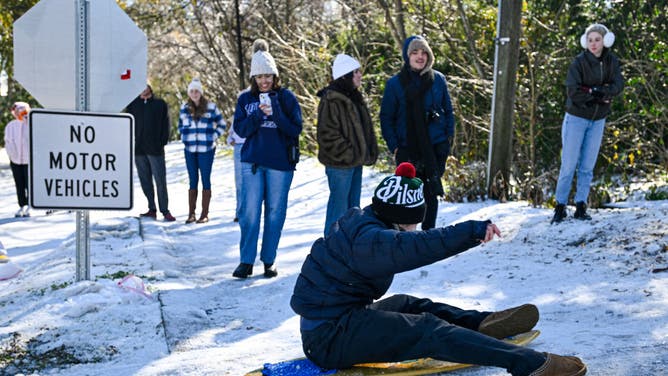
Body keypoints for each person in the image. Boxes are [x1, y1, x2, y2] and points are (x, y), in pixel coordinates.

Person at [290, 162, 587, 376]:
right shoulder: (372, 241)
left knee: (410, 304)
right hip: (330, 340)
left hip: (337, 323)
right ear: (399, 216)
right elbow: (422, 245)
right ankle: (530, 364)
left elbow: (411, 241)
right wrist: (471, 231)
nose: (415, 228)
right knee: (428, 331)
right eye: (413, 222)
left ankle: (482, 324)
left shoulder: (366, 222)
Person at [231, 39, 302, 279]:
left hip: (280, 165)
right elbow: (240, 130)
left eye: (268, 76)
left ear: (275, 76)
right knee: (249, 212)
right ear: (253, 77)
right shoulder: (245, 100)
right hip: (252, 163)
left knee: (275, 212)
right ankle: (246, 261)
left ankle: (269, 260)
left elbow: (295, 129)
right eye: (260, 76)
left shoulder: (286, 97)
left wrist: (276, 112)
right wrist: (259, 116)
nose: (264, 81)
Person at [380, 35, 454, 231]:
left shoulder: (438, 79)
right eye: (415, 52)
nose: (420, 56)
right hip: (407, 149)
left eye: (424, 52)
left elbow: (448, 110)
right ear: (407, 56)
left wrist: (447, 138)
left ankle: (428, 235)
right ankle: (406, 235)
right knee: (407, 193)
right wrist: (394, 146)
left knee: (431, 192)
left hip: (435, 147)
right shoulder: (395, 84)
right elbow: (386, 118)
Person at [551, 24, 623, 224]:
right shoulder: (579, 63)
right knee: (569, 164)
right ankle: (560, 206)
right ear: (585, 42)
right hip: (576, 118)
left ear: (605, 40)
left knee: (587, 166)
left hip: (598, 120)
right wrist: (595, 96)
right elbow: (573, 91)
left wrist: (598, 91)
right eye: (590, 40)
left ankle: (581, 205)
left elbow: (617, 85)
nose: (593, 44)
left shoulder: (611, 62)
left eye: (597, 39)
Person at [317, 53, 378, 236]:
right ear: (345, 75)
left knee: (353, 211)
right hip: (340, 165)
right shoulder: (331, 99)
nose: (360, 75)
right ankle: (330, 249)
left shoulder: (354, 97)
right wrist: (350, 153)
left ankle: (349, 249)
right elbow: (327, 135)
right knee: (338, 211)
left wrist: (361, 153)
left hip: (355, 163)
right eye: (356, 72)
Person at [178, 78, 226, 224]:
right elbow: (180, 126)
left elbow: (222, 124)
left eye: (197, 91)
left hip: (207, 149)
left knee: (205, 179)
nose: (194, 93)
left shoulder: (211, 107)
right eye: (192, 91)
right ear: (189, 93)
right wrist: (184, 138)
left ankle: (204, 214)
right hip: (190, 149)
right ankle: (191, 214)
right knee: (193, 180)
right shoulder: (184, 108)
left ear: (201, 92)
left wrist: (213, 136)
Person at [126, 84, 175, 222]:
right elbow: (127, 124)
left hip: (155, 149)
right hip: (139, 149)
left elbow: (166, 124)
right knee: (145, 181)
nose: (143, 88)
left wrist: (162, 142)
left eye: (145, 86)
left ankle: (165, 210)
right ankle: (151, 208)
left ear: (150, 88)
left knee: (160, 181)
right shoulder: (133, 104)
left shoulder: (160, 104)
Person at [5, 102, 31, 218]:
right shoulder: (11, 126)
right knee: (19, 184)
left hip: (29, 161)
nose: (19, 113)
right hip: (15, 161)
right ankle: (22, 205)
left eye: (22, 110)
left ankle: (31, 206)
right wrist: (12, 155)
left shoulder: (31, 124)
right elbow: (8, 142)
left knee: (30, 184)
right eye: (16, 111)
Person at [226, 120, 245, 222]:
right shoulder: (238, 115)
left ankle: (251, 212)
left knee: (253, 183)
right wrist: (230, 141)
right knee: (240, 183)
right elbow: (230, 137)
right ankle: (240, 212)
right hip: (239, 148)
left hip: (253, 147)